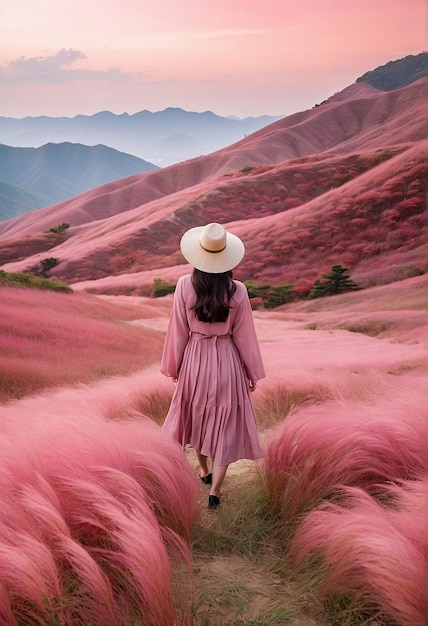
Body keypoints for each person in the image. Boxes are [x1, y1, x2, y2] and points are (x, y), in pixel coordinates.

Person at [160, 222, 265, 510]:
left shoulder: (184, 285)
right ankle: (215, 491)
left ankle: (203, 471)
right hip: (228, 361)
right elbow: (245, 337)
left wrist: (175, 367)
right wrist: (251, 373)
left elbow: (178, 331)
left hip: (195, 358)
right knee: (225, 422)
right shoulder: (239, 290)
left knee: (196, 415)